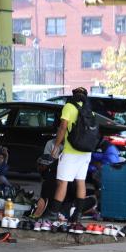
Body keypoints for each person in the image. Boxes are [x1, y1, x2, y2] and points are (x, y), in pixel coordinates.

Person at [48, 87, 93, 223]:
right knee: (81, 182)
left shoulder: (68, 107)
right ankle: (77, 215)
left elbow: (62, 127)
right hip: (86, 153)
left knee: (62, 182)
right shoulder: (89, 110)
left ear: (73, 96)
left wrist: (56, 145)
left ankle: (53, 213)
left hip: (71, 152)